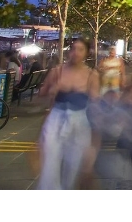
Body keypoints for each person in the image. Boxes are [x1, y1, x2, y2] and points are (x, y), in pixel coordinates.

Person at [36, 38, 100, 190]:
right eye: (73, 49)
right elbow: (41, 92)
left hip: (80, 119)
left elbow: (96, 103)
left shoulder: (91, 75)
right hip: (56, 117)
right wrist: (51, 90)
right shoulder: (57, 71)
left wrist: (96, 139)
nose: (76, 53)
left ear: (86, 53)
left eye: (80, 50)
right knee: (50, 162)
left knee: (74, 165)